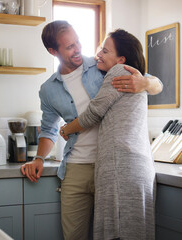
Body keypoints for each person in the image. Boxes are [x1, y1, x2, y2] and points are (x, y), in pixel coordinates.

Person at [20, 20, 162, 240]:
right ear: (53, 51)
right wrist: (39, 158)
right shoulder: (48, 89)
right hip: (76, 167)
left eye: (78, 42)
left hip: (111, 166)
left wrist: (145, 83)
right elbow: (49, 129)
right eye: (69, 47)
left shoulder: (103, 66)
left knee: (115, 232)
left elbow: (151, 79)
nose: (77, 49)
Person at [60, 29, 156, 240]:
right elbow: (156, 83)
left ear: (121, 58)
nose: (98, 55)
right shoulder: (134, 75)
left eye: (105, 50)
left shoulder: (119, 71)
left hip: (120, 165)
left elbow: (93, 113)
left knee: (118, 232)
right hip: (135, 165)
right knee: (134, 231)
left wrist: (65, 129)